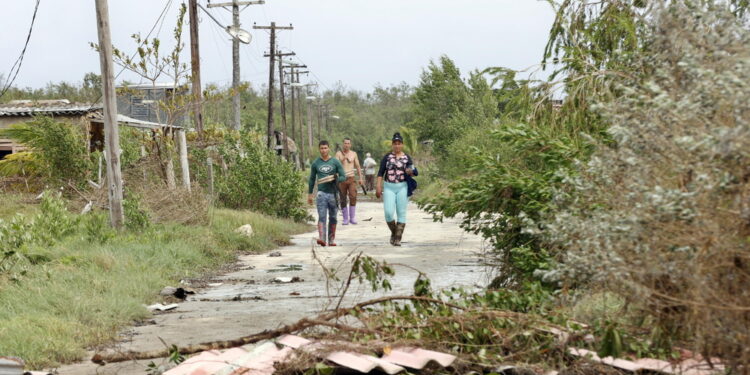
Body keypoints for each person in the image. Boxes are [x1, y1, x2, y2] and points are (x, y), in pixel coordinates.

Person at [376, 132, 414, 246]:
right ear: (392, 145)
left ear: (402, 145)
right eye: (395, 144)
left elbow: (412, 171)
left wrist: (410, 171)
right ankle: (394, 232)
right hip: (389, 187)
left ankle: (397, 238)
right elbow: (380, 173)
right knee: (388, 212)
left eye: (399, 143)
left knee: (401, 212)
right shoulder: (387, 157)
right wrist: (378, 186)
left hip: (402, 186)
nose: (397, 146)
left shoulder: (407, 158)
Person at [308, 140, 346, 246]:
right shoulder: (316, 163)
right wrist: (310, 194)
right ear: (319, 149)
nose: (324, 150)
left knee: (333, 217)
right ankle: (322, 239)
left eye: (325, 148)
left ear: (329, 149)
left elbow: (343, 176)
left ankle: (331, 240)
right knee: (322, 216)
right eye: (321, 148)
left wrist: (335, 178)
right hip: (321, 194)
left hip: (333, 194)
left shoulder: (335, 162)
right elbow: (311, 179)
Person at [335, 138, 364, 225]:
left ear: (350, 145)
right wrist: (342, 161)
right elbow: (334, 166)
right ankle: (345, 218)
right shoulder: (338, 154)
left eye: (348, 143)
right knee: (343, 198)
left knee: (353, 195)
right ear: (343, 144)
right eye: (345, 143)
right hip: (342, 178)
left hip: (351, 178)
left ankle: (352, 217)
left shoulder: (353, 154)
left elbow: (358, 166)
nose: (346, 145)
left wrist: (361, 178)